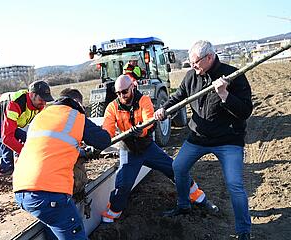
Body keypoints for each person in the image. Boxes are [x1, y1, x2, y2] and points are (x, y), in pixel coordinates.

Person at [154, 40, 253, 240]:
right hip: (198, 137)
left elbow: (245, 111)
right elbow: (179, 96)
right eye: (191, 62)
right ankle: (183, 205)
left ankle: (243, 231)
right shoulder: (192, 76)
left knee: (234, 184)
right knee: (179, 167)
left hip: (228, 140)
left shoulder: (234, 76)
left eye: (196, 62)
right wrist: (164, 109)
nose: (192, 66)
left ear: (209, 57)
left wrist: (225, 94)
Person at [101, 74, 219, 223]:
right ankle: (111, 215)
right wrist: (102, 138)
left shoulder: (144, 100)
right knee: (123, 184)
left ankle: (200, 199)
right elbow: (108, 129)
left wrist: (141, 131)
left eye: (124, 91)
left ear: (132, 87)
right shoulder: (112, 107)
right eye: (117, 93)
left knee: (175, 169)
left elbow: (149, 121)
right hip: (129, 150)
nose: (121, 95)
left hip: (147, 147)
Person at [13, 88, 111, 240]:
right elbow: (104, 140)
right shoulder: (75, 116)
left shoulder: (41, 116)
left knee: (54, 226)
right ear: (77, 103)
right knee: (74, 234)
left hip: (21, 191)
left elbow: (51, 147)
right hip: (48, 193)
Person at [0, 80, 53, 183]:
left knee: (28, 140)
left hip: (3, 120)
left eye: (46, 100)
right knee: (8, 162)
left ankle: (13, 166)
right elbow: (7, 138)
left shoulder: (38, 105)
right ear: (32, 95)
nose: (44, 103)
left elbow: (41, 127)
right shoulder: (15, 103)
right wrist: (26, 153)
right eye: (42, 99)